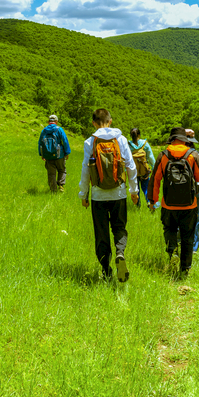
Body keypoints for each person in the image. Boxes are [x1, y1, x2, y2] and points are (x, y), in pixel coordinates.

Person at [78, 108, 139, 282]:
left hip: (98, 196)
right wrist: (134, 191)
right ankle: (120, 253)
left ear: (93, 123)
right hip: (119, 193)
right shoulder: (120, 139)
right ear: (110, 121)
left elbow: (85, 170)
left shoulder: (90, 142)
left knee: (101, 233)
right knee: (119, 227)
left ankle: (106, 271)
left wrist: (84, 194)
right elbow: (131, 166)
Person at [149, 127, 199, 278]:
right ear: (185, 140)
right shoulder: (193, 155)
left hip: (168, 205)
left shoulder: (163, 156)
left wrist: (152, 200)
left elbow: (155, 179)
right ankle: (185, 269)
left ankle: (172, 253)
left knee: (169, 230)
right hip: (189, 205)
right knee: (187, 236)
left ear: (171, 139)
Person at [185, 128, 199, 253]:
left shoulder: (174, 154)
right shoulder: (198, 154)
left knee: (182, 216)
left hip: (180, 192)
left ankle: (180, 241)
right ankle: (193, 247)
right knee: (196, 218)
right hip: (196, 191)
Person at [38, 115, 71, 192]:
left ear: (48, 122)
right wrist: (67, 152)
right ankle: (61, 185)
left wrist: (42, 154)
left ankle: (53, 190)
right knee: (62, 169)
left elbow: (40, 143)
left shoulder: (44, 131)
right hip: (59, 155)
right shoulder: (59, 130)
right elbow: (65, 141)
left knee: (51, 174)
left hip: (48, 156)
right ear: (56, 122)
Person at [128, 127, 155, 208]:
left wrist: (126, 171)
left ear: (131, 136)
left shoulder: (128, 145)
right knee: (146, 188)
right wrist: (154, 168)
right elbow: (151, 157)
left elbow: (126, 159)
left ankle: (137, 206)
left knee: (136, 190)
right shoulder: (144, 143)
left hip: (133, 172)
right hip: (144, 171)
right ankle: (149, 203)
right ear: (139, 135)